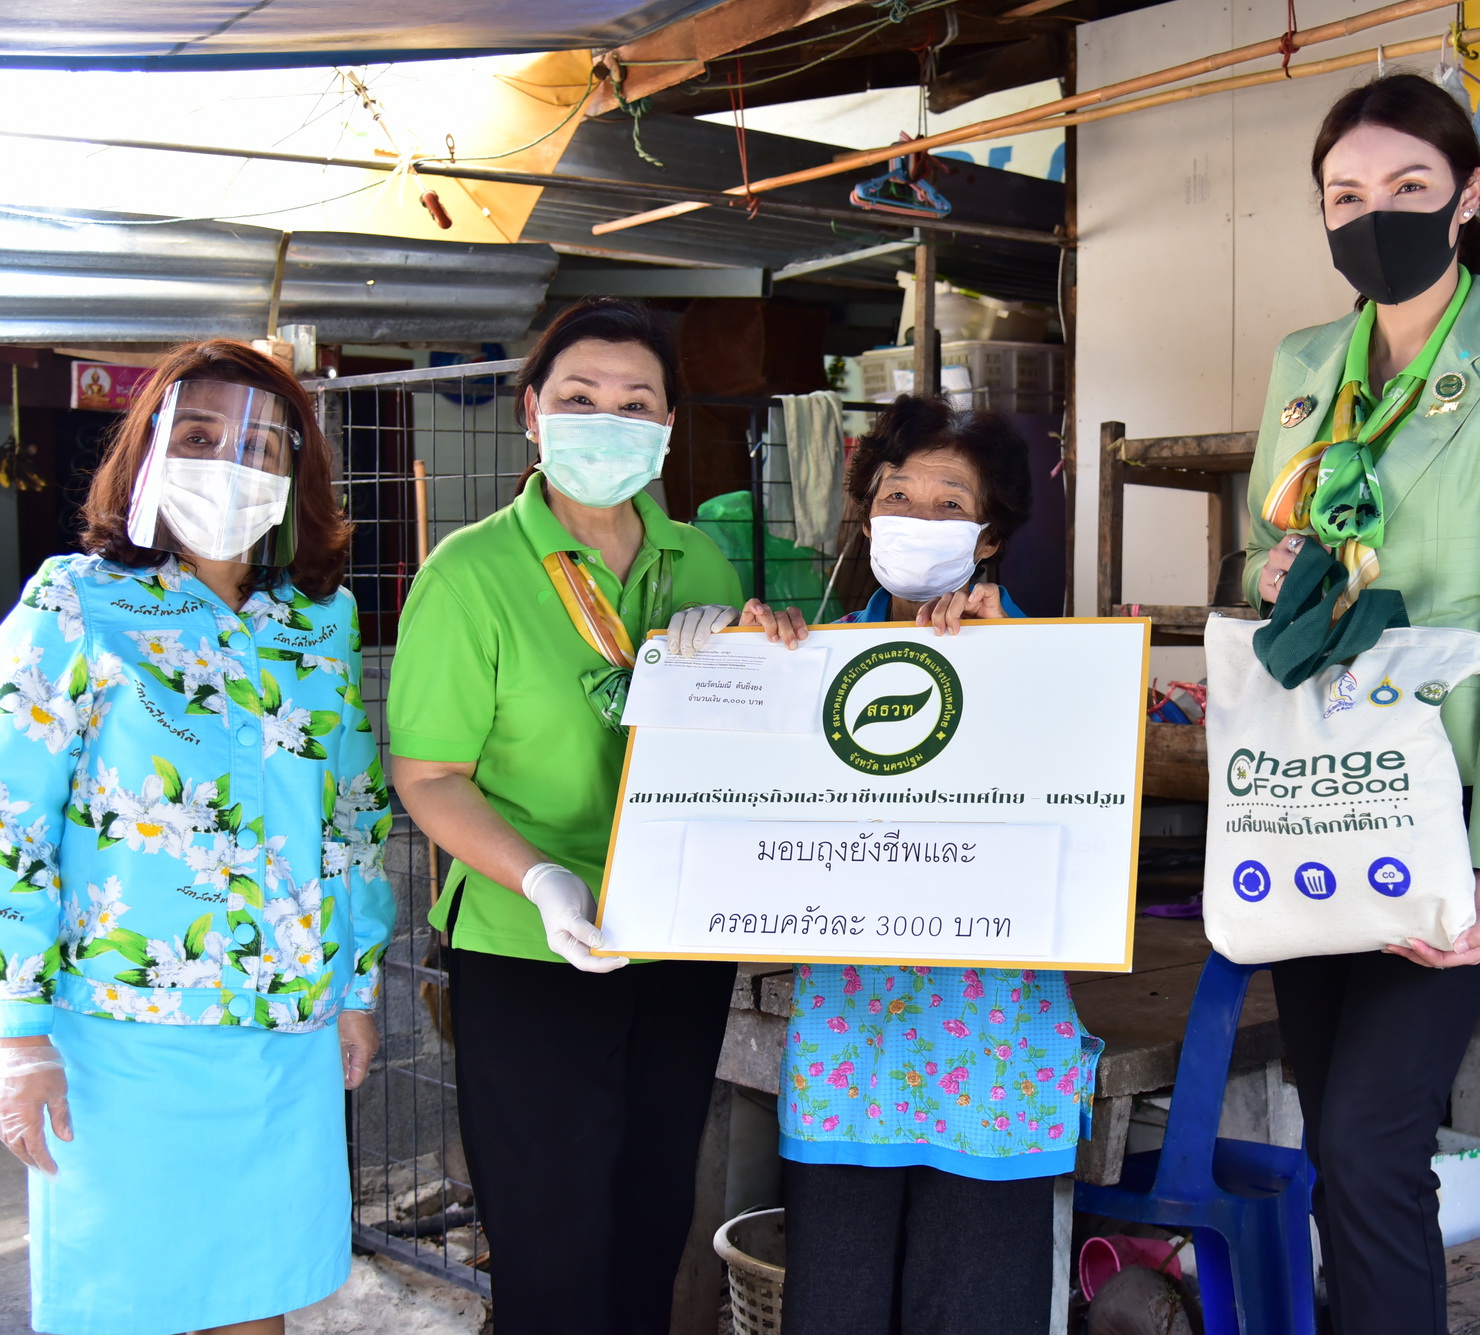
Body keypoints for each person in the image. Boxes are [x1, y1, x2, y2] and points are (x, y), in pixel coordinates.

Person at [1243, 75, 1480, 1333]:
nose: (1372, 214)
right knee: (1336, 1130)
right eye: (1344, 195)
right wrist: (1271, 570)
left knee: (1369, 1133)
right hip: (1310, 787)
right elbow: (1266, 556)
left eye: (1406, 186)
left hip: (1443, 798)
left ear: (1466, 195)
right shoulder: (1302, 363)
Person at [388, 297, 805, 1333]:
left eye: (635, 402)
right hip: (530, 941)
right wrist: (541, 878)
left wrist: (761, 649)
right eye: (579, 397)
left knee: (650, 1220)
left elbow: (737, 736)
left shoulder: (699, 561)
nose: (606, 421)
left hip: (675, 934)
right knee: (551, 1242)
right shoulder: (470, 574)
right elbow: (428, 776)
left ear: (666, 426)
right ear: (532, 412)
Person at [0, 341, 394, 1335]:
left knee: (254, 1303)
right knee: (126, 1306)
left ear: (295, 473)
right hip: (122, 1033)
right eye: (201, 436)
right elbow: (13, 820)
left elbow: (351, 816)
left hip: (285, 1032)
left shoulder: (320, 620)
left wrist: (356, 987)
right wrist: (18, 1033)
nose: (230, 463)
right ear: (147, 454)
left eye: (260, 446)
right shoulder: (75, 602)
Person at [777, 395, 1101, 1335]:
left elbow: (1085, 823)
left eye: (950, 503)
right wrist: (737, 663)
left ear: (990, 536)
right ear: (866, 513)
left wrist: (1015, 665)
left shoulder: (1052, 663)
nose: (917, 518)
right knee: (832, 1310)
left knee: (976, 1312)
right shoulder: (809, 657)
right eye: (897, 495)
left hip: (993, 1048)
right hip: (848, 1047)